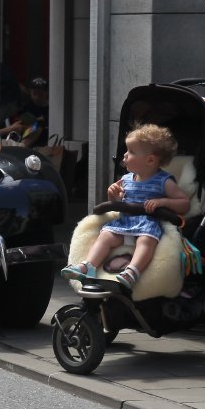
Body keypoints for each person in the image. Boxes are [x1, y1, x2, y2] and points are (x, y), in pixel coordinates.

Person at [62, 125, 191, 292]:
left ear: (150, 160)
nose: (125, 155)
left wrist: (162, 202)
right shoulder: (126, 179)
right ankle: (88, 266)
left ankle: (132, 271)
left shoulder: (164, 181)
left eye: (131, 151)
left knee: (146, 241)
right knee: (105, 236)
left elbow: (184, 203)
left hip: (147, 224)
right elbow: (118, 204)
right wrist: (113, 196)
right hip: (124, 222)